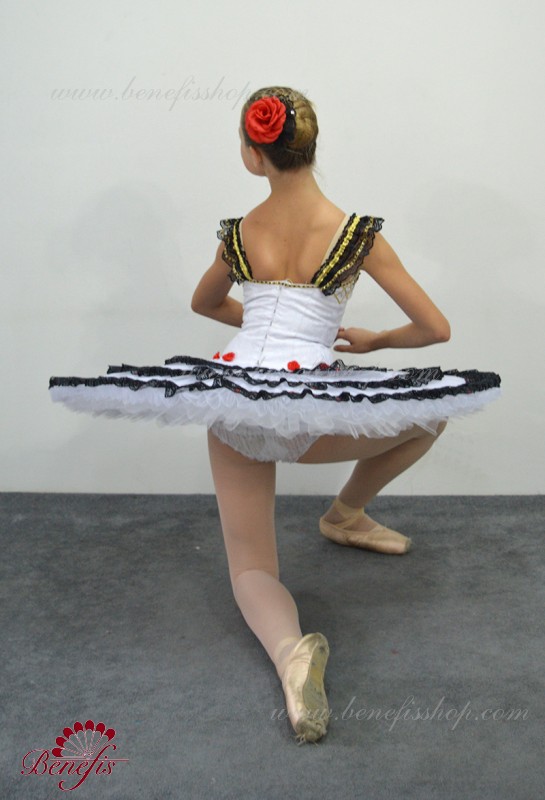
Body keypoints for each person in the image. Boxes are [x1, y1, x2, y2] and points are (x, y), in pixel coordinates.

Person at [49, 85, 501, 745]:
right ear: (310, 146)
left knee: (251, 567)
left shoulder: (239, 234)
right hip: (309, 407)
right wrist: (373, 341)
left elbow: (205, 304)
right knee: (431, 414)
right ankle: (344, 513)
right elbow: (435, 329)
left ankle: (290, 653)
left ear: (251, 154)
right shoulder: (356, 234)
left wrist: (261, 324)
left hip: (233, 398)